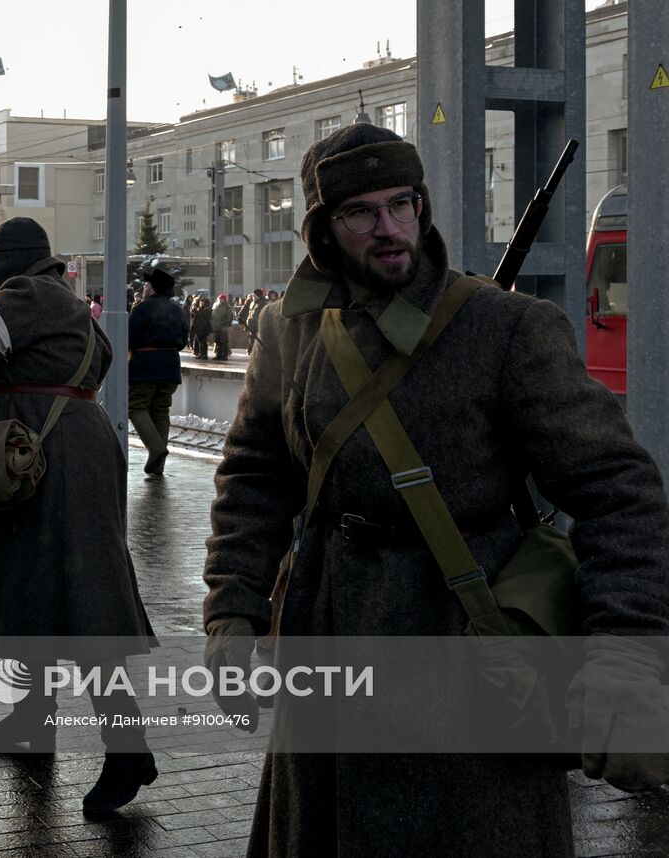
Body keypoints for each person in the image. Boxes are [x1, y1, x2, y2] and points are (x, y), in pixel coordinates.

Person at [201, 122, 669, 856]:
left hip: (469, 655)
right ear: (323, 230)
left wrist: (628, 658)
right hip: (328, 642)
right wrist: (232, 607)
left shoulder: (506, 328)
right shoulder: (290, 334)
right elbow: (256, 475)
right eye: (362, 212)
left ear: (422, 206)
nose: (389, 228)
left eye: (403, 203)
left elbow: (621, 492)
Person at [0, 217, 157, 815]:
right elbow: (92, 365)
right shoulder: (69, 302)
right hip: (70, 451)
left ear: (3, 260)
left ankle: (128, 748)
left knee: (83, 601)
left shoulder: (22, 295)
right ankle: (32, 721)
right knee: (39, 588)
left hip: (42, 459)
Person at [127, 260, 188, 476]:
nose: (143, 288)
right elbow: (183, 342)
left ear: (153, 288)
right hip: (171, 366)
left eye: (146, 285)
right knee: (161, 410)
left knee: (135, 406)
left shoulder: (142, 308)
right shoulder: (178, 310)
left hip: (146, 365)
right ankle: (157, 466)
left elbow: (128, 337)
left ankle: (156, 449)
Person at [210, 293, 233, 360]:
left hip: (223, 328)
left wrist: (224, 323)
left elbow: (229, 317)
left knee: (224, 342)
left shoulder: (227, 307)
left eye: (221, 299)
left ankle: (224, 356)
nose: (220, 300)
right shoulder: (216, 306)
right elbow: (213, 316)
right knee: (217, 342)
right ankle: (218, 355)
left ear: (224, 300)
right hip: (216, 327)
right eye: (219, 298)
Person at [189, 293, 212, 358]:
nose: (201, 303)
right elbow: (195, 315)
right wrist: (193, 311)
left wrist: (196, 311)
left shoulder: (207, 309)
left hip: (204, 328)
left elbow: (203, 316)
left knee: (203, 342)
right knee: (200, 342)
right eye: (201, 301)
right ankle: (201, 354)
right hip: (199, 328)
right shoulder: (200, 308)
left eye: (202, 301)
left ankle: (204, 355)